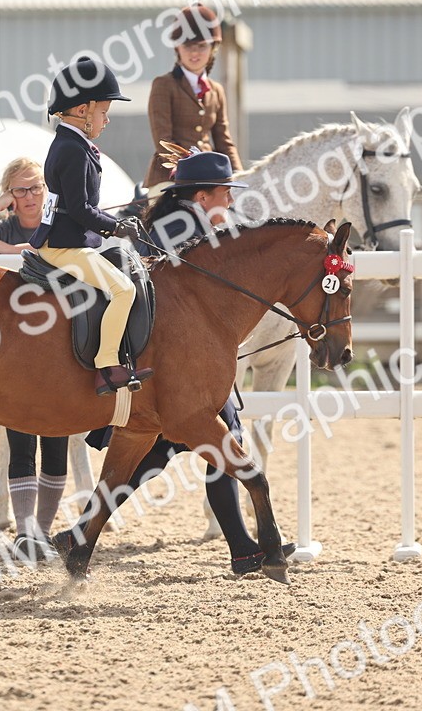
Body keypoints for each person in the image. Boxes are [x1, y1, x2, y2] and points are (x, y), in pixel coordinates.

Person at [85, 151, 293, 575]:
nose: (230, 201)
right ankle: (242, 548)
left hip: (182, 365)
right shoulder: (184, 230)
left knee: (161, 454)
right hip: (175, 368)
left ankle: (80, 533)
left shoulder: (187, 225)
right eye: (224, 193)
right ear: (202, 196)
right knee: (218, 444)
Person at [0, 157, 69, 558]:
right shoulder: (3, 222)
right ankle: (25, 533)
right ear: (9, 194)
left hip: (57, 344)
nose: (29, 196)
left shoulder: (58, 218)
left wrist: (3, 248)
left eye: (35, 187)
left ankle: (42, 531)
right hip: (14, 345)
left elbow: (40, 251)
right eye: (19, 190)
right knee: (20, 441)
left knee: (56, 441)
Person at [29, 56, 151, 396]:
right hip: (65, 246)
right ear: (82, 110)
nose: (107, 120)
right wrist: (117, 227)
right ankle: (107, 366)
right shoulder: (72, 149)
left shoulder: (72, 144)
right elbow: (82, 210)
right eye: (104, 112)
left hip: (68, 239)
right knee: (124, 290)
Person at [143, 3, 242, 190]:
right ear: (177, 47)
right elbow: (163, 141)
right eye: (188, 46)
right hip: (170, 175)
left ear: (213, 48)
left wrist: (240, 174)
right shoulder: (163, 85)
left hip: (209, 175)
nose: (195, 52)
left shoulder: (216, 90)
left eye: (202, 46)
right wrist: (192, 170)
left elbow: (224, 141)